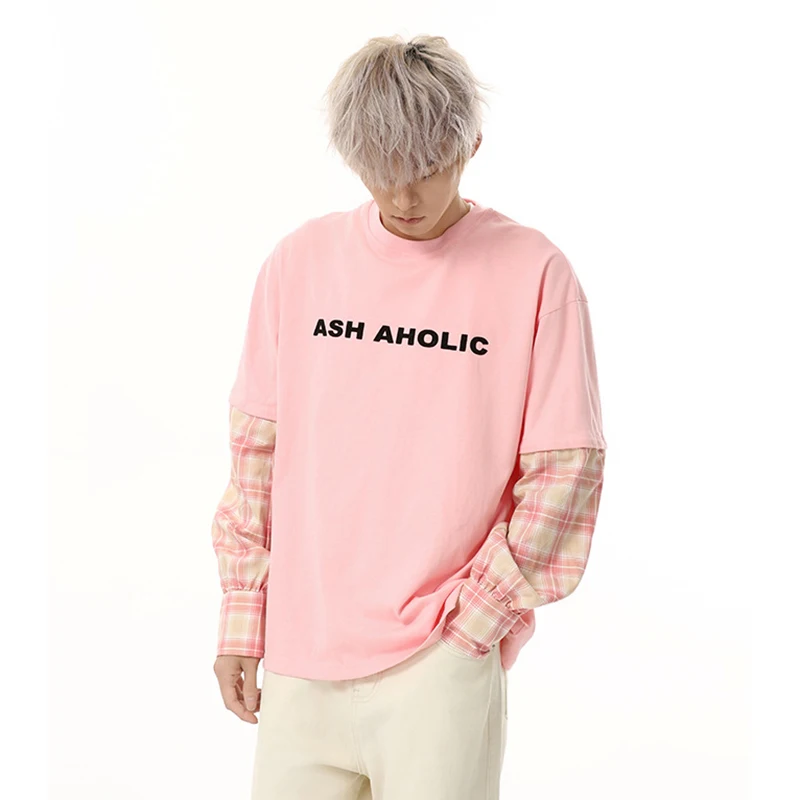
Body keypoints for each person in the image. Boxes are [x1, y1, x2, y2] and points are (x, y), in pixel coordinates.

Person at [210, 34, 607, 800]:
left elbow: (566, 468)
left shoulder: (534, 273)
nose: (403, 197)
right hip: (299, 657)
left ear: (470, 145)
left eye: (425, 169)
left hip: (437, 664)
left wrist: (473, 626)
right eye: (382, 171)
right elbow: (256, 451)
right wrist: (242, 615)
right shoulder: (299, 263)